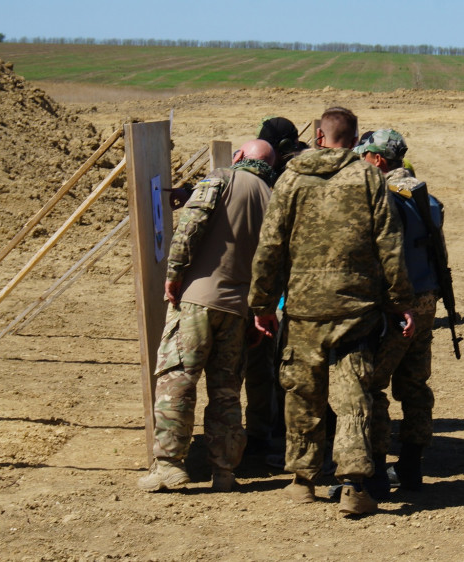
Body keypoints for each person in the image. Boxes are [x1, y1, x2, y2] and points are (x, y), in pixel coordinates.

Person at [249, 107, 415, 517]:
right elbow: (390, 244)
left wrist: (262, 304)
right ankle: (354, 486)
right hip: (356, 311)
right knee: (353, 395)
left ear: (319, 137)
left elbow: (270, 246)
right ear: (355, 140)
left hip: (303, 309)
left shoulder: (290, 179)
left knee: (302, 395)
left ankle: (302, 481)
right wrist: (400, 301)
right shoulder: (368, 178)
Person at [137, 139, 277, 493]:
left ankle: (170, 465)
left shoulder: (221, 178)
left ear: (240, 156)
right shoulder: (273, 197)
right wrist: (260, 310)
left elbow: (191, 225)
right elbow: (275, 261)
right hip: (238, 310)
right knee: (226, 393)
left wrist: (174, 272)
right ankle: (224, 470)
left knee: (178, 382)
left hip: (197, 302)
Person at [354, 128, 444, 497]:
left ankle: (375, 469)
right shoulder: (425, 196)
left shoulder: (384, 197)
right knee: (414, 385)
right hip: (426, 300)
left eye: (364, 157)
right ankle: (410, 467)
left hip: (396, 305)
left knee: (372, 385)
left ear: (377, 159)